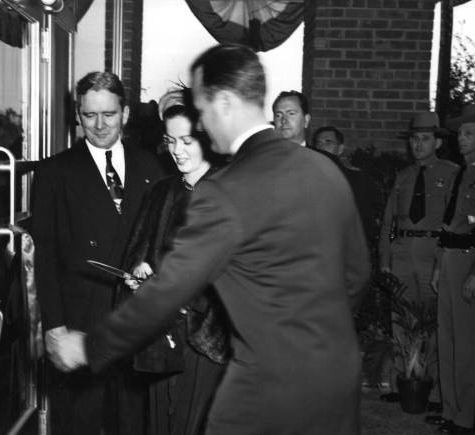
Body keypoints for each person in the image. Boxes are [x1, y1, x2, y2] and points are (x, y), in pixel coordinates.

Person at [62, 43, 370, 435]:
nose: (203, 125)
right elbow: (357, 275)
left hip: (264, 391)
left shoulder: (226, 190)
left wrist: (89, 347)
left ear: (224, 102)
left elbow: (165, 293)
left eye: (203, 111)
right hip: (336, 378)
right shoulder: (324, 170)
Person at [30, 71, 163, 435]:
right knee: (79, 423)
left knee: (134, 423)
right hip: (79, 326)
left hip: (135, 326)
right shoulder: (54, 172)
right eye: (90, 115)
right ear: (78, 114)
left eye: (109, 114)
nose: (100, 125)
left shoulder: (153, 168)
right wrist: (54, 328)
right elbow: (45, 255)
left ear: (125, 113)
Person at [119, 87, 228, 435]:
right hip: (161, 334)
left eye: (186, 141)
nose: (177, 151)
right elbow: (138, 252)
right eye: (170, 140)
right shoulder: (161, 192)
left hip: (208, 337)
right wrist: (139, 272)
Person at [425, 104, 475, 435]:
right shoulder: (461, 173)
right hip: (450, 259)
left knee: (468, 343)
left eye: (468, 133)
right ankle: (451, 409)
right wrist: (438, 264)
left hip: (474, 262)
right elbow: (450, 224)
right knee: (448, 337)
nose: (461, 139)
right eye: (459, 133)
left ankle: (470, 419)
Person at [377, 111, 459, 406]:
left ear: (437, 142)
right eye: (414, 139)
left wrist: (443, 261)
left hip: (432, 253)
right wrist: (385, 260)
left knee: (433, 321)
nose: (418, 144)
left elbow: (454, 224)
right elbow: (388, 223)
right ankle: (404, 382)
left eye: (425, 139)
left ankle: (434, 390)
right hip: (402, 252)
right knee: (401, 319)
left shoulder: (451, 174)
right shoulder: (403, 177)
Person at [312, 125, 380, 243]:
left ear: (340, 149)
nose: (321, 147)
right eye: (318, 143)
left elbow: (363, 220)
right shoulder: (307, 178)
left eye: (328, 143)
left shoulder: (355, 179)